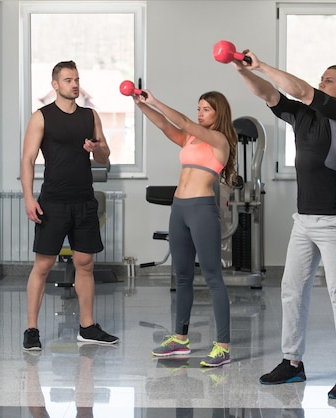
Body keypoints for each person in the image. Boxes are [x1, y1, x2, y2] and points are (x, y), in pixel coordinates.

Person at [230, 50, 336, 398]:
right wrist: (241, 68)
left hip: (335, 222)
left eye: (329, 80)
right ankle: (292, 363)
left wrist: (259, 63)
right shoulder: (305, 116)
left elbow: (299, 89)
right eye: (322, 78)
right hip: (303, 220)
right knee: (291, 290)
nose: (322, 83)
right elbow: (269, 94)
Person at [130, 88, 238, 367]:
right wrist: (141, 105)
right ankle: (180, 339)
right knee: (182, 276)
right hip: (179, 208)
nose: (200, 114)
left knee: (213, 276)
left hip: (202, 209)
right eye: (199, 108)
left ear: (219, 113)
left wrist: (155, 99)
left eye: (206, 109)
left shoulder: (219, 140)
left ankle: (223, 347)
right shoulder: (191, 138)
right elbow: (166, 125)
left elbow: (184, 123)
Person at [20, 60, 118, 351]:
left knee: (85, 264)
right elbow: (27, 159)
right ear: (55, 85)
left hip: (83, 200)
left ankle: (87, 327)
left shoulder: (90, 116)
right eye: (67, 80)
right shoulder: (42, 117)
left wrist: (96, 148)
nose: (74, 84)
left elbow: (104, 157)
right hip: (53, 201)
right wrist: (28, 196)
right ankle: (32, 329)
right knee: (44, 265)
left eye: (76, 79)